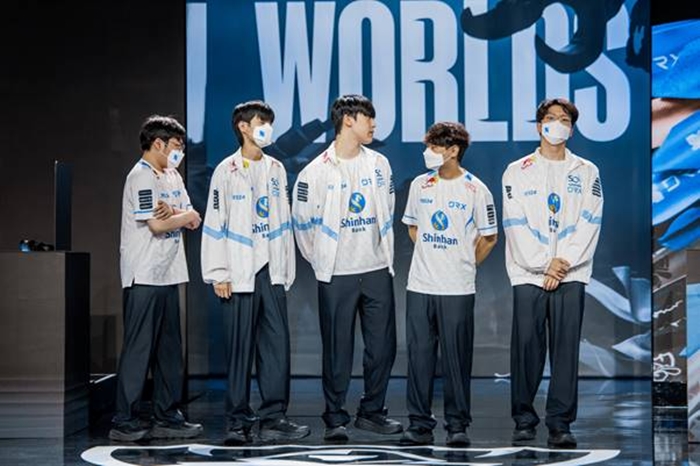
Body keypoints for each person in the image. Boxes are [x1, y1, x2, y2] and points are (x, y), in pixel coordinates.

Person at [292, 95, 401, 441]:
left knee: (382, 347)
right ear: (349, 120)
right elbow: (302, 225)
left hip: (376, 268)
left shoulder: (380, 164)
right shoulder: (314, 171)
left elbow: (388, 207)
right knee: (337, 349)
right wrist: (324, 260)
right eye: (369, 118)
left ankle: (372, 412)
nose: (374, 125)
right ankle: (335, 416)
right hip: (337, 274)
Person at [201, 100, 309, 444]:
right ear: (243, 127)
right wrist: (218, 272)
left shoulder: (276, 168)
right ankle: (237, 420)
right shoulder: (225, 170)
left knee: (276, 348)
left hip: (271, 271)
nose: (267, 129)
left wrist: (286, 270)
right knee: (239, 350)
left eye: (269, 123)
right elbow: (214, 223)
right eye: (261, 122)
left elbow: (284, 221)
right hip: (238, 273)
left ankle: (274, 417)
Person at [502, 98, 603, 448]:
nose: (557, 124)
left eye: (564, 120)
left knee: (565, 351)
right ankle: (524, 419)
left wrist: (562, 263)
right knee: (526, 349)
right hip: (527, 273)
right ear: (538, 125)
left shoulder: (586, 171)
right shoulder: (517, 170)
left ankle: (560, 423)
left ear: (571, 130)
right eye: (550, 118)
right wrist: (543, 263)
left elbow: (590, 220)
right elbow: (514, 222)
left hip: (571, 274)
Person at [399, 122, 498, 446]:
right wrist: (432, 255)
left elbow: (490, 237)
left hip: (457, 288)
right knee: (419, 359)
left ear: (453, 150)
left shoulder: (476, 190)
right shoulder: (420, 185)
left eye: (434, 147)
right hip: (420, 286)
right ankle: (419, 424)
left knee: (456, 360)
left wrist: (463, 262)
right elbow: (413, 227)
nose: (427, 152)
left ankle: (457, 426)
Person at [112, 115, 203, 442]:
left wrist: (179, 213)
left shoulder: (173, 176)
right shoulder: (141, 176)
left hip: (169, 274)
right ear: (159, 144)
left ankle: (167, 415)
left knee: (169, 351)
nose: (180, 153)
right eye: (176, 146)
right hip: (144, 275)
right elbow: (157, 225)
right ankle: (124, 419)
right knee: (139, 349)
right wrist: (181, 216)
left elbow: (194, 218)